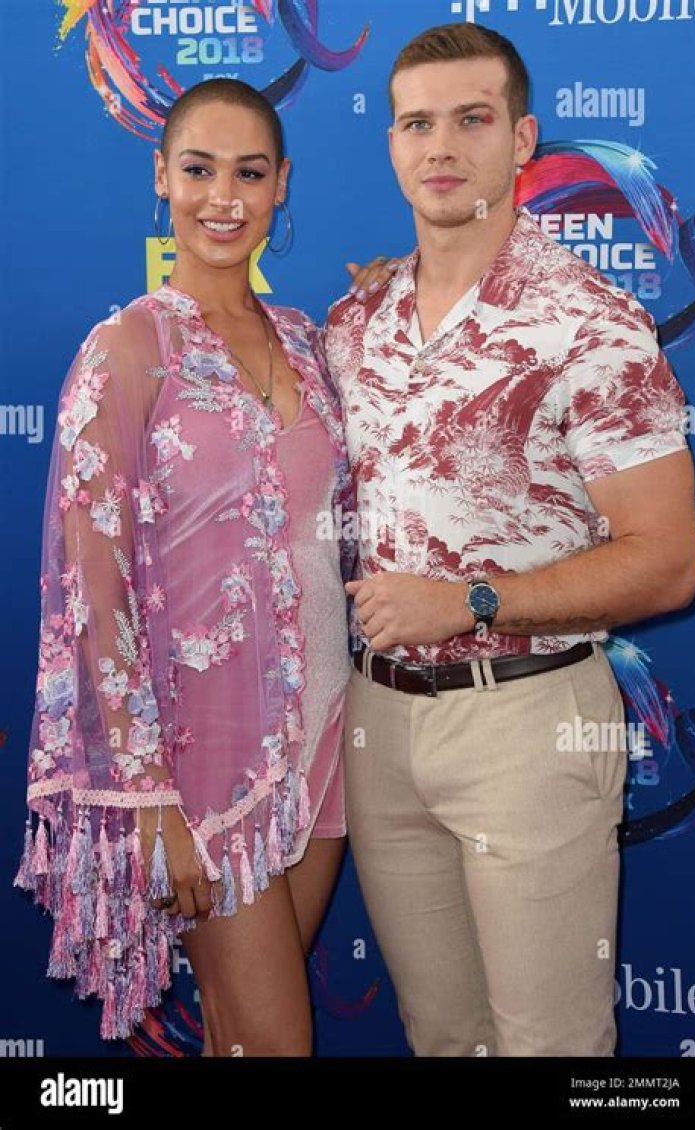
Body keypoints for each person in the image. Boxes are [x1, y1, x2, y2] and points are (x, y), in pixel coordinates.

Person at [323, 23, 695, 1057]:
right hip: (378, 723)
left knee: (553, 1046)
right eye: (417, 123)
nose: (441, 146)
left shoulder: (591, 322)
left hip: (529, 722)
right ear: (392, 143)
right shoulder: (356, 322)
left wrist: (471, 600)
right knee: (444, 1035)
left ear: (521, 138)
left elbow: (669, 560)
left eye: (472, 119)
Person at [14, 78, 383, 1056]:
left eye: (249, 174)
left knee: (238, 1035)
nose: (224, 198)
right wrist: (146, 793)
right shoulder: (128, 348)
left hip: (327, 744)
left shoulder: (310, 343)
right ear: (161, 176)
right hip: (205, 767)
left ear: (281, 184)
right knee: (274, 1041)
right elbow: (92, 590)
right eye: (199, 169)